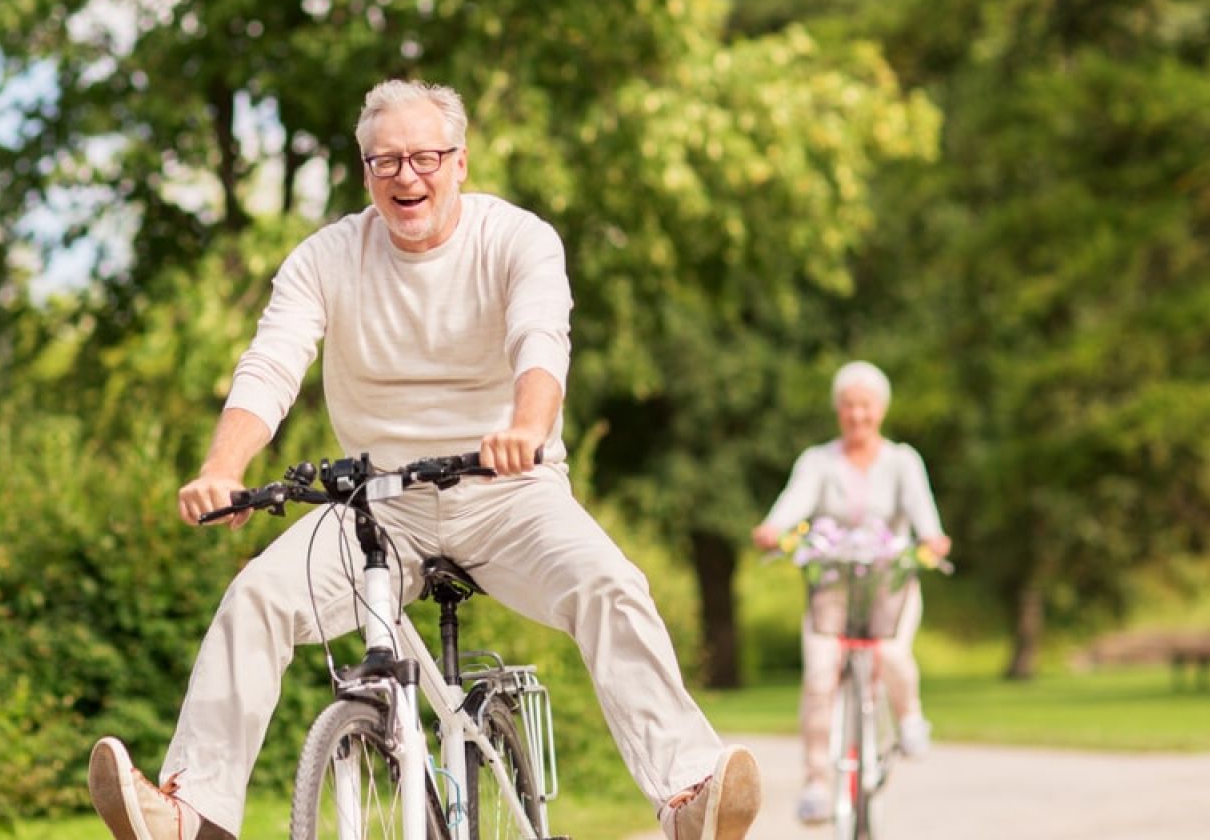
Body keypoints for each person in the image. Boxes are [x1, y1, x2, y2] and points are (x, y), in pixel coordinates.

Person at [87, 79, 762, 840]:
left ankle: (687, 795)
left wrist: (526, 428)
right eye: (386, 162)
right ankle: (194, 814)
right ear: (365, 171)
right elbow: (271, 364)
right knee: (256, 601)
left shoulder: (517, 239)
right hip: (379, 506)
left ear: (460, 162)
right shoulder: (326, 258)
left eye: (424, 158)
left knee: (609, 585)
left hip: (509, 491)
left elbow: (541, 340)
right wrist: (222, 468)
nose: (407, 177)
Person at [750, 360, 951, 826]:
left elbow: (925, 517)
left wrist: (932, 539)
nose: (857, 415)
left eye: (865, 406)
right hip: (833, 587)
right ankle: (817, 782)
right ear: (838, 411)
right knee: (820, 675)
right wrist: (773, 529)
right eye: (848, 406)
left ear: (880, 410)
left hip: (889, 585)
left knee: (893, 653)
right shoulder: (819, 462)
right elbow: (792, 503)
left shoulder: (903, 461)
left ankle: (909, 717)